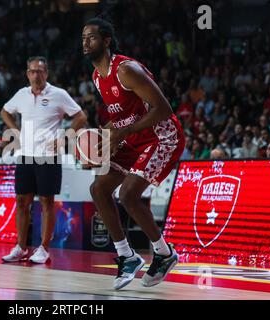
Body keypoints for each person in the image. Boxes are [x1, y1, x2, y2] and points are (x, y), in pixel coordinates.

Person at [82, 18, 185, 290]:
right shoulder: (96, 77)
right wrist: (98, 141)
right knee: (99, 189)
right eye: (83, 38)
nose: (85, 42)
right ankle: (127, 256)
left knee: (127, 194)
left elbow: (164, 109)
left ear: (106, 41)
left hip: (163, 136)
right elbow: (122, 118)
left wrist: (122, 133)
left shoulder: (126, 70)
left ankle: (164, 253)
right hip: (136, 137)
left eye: (91, 37)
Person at [0, 56, 87, 264]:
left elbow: (81, 117)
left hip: (48, 156)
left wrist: (65, 137)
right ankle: (21, 247)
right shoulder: (21, 94)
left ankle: (44, 248)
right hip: (25, 156)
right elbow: (4, 111)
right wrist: (15, 130)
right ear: (27, 73)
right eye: (32, 71)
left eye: (40, 71)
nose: (36, 75)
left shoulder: (59, 94)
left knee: (47, 202)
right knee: (22, 201)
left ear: (46, 73)